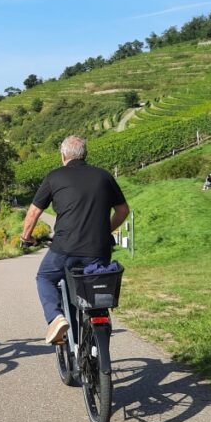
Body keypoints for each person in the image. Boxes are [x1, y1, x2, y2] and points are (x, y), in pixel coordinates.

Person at [20, 136, 129, 344]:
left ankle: (56, 318)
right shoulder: (104, 176)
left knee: (45, 277)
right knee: (93, 291)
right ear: (85, 154)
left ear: (63, 156)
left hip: (65, 249)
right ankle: (98, 335)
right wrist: (105, 230)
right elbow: (123, 210)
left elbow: (34, 211)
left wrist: (26, 237)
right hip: (99, 249)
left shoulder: (54, 177)